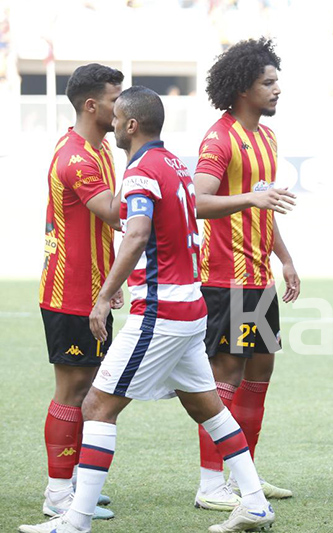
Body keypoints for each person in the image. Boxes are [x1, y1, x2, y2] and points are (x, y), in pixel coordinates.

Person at [20, 86, 275, 533]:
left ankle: (74, 521)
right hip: (189, 306)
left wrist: (104, 295)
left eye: (118, 118)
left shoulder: (140, 172)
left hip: (161, 311)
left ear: (132, 125)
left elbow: (135, 234)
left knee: (98, 405)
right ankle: (254, 502)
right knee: (210, 409)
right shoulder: (176, 163)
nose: (113, 124)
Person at [193, 37, 298, 510]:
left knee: (261, 371)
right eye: (268, 82)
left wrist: (286, 257)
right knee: (226, 377)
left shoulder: (267, 137)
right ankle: (211, 484)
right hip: (224, 278)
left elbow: (263, 207)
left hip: (259, 277)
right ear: (242, 89)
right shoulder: (219, 137)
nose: (278, 90)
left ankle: (244, 475)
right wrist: (252, 199)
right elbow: (197, 201)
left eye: (278, 81)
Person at [37, 63, 124, 521]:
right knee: (72, 391)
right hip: (70, 294)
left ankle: (71, 481)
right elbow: (112, 212)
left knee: (89, 387)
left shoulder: (101, 147)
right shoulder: (77, 157)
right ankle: (57, 495)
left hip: (94, 292)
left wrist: (113, 283)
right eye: (116, 98)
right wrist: (161, 185)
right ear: (92, 105)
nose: (122, 106)